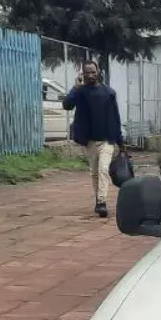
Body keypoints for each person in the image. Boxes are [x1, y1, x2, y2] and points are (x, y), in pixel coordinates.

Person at [63, 60, 124, 218]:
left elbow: (115, 118)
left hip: (106, 140)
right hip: (89, 141)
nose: (90, 75)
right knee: (94, 172)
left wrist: (121, 143)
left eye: (93, 71)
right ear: (82, 74)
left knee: (103, 170)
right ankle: (98, 200)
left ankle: (102, 202)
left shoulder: (109, 93)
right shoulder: (81, 93)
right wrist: (76, 87)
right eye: (87, 72)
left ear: (98, 72)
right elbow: (67, 105)